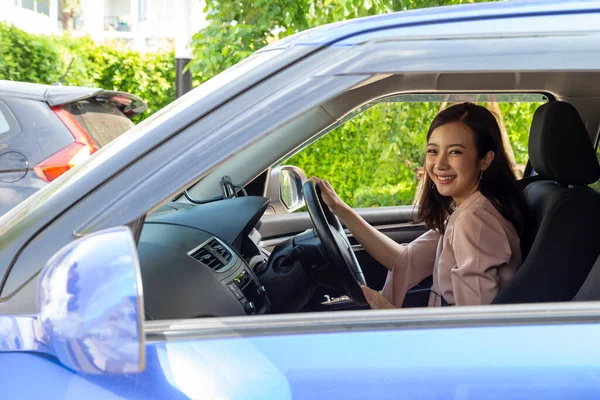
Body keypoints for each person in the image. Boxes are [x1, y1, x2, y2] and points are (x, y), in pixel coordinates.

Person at [312, 102, 527, 309]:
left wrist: (395, 321)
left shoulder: (474, 220)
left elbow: (476, 328)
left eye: (455, 152)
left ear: (485, 160)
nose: (440, 164)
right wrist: (341, 209)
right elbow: (404, 260)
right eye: (433, 151)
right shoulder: (465, 211)